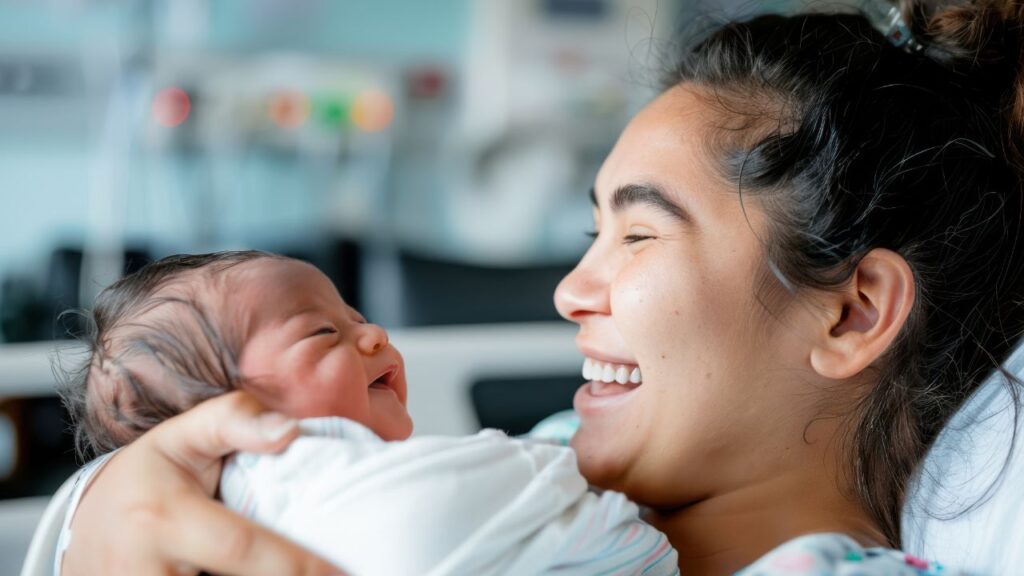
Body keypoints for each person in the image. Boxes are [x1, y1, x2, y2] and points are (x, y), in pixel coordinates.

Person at [54, 0, 1024, 573]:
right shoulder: (532, 465)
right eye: (588, 231)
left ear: (853, 313)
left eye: (638, 232)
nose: (569, 292)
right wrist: (99, 518)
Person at [55, 251, 678, 575]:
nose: (375, 332)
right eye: (323, 332)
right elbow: (520, 483)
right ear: (219, 418)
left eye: (355, 315)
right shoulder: (283, 476)